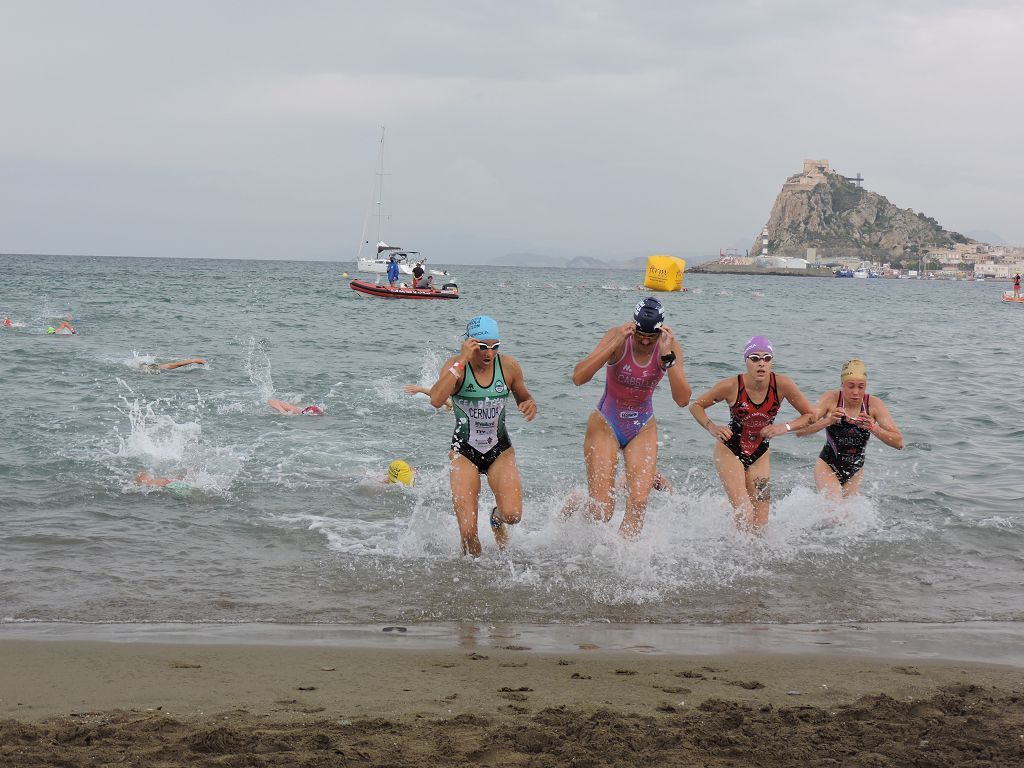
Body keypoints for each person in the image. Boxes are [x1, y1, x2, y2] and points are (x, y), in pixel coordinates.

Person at [566, 297, 691, 539]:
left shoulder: (670, 347)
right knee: (602, 511)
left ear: (661, 331)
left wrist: (668, 358)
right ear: (632, 326)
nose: (645, 340)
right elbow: (578, 377)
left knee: (639, 501)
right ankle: (576, 502)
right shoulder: (619, 338)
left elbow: (683, 399)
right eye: (640, 334)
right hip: (606, 422)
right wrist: (612, 345)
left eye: (651, 336)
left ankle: (623, 561)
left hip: (642, 425)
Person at [428, 315, 537, 557]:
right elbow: (436, 399)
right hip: (464, 451)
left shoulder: (508, 367)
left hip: (500, 450)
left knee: (513, 515)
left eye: (495, 347)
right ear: (470, 344)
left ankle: (495, 519)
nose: (489, 354)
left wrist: (529, 404)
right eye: (482, 347)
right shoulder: (456, 366)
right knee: (468, 534)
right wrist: (461, 362)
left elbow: (524, 396)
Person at [688, 336, 816, 532]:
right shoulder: (731, 386)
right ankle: (737, 558)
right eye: (754, 358)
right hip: (730, 449)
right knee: (745, 513)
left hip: (760, 454)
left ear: (772, 361)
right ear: (746, 361)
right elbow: (696, 406)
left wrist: (784, 427)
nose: (761, 364)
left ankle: (756, 559)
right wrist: (712, 427)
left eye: (766, 358)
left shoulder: (782, 385)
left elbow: (810, 415)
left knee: (761, 521)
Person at [796, 359, 903, 498]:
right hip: (827, 465)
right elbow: (801, 431)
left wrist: (872, 427)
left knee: (846, 516)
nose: (856, 392)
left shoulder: (874, 405)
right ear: (842, 384)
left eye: (861, 387)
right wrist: (828, 420)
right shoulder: (831, 399)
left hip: (855, 472)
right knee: (834, 510)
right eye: (850, 386)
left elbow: (898, 442)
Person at [140, 358, 206, 372]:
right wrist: (194, 360)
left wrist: (194, 360)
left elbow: (178, 364)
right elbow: (178, 364)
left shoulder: (161, 367)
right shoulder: (142, 368)